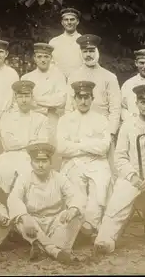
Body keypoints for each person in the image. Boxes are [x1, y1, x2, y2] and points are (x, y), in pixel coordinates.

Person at [94, 85, 145, 255]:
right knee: (118, 200)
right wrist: (132, 176)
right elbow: (120, 156)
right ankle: (106, 239)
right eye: (143, 102)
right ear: (137, 103)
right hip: (132, 176)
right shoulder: (128, 126)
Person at [7, 142, 86, 265]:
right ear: (31, 163)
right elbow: (14, 199)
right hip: (34, 222)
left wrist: (72, 209)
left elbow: (76, 195)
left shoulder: (59, 178)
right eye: (36, 161)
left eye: (44, 161)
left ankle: (42, 246)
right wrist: (25, 217)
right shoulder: (24, 178)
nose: (40, 165)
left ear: (50, 163)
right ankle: (54, 251)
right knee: (20, 219)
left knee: (78, 215)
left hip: (55, 222)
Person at [57, 80, 112, 237]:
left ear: (92, 99)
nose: (83, 101)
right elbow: (61, 148)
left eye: (87, 97)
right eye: (79, 97)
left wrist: (78, 144)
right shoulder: (65, 120)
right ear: (74, 99)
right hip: (73, 162)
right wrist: (90, 145)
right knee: (76, 188)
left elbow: (104, 148)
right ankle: (78, 224)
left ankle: (90, 224)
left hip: (97, 162)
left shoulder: (101, 120)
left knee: (99, 186)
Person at [0, 80, 50, 203]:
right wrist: (30, 141)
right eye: (21, 96)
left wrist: (23, 144)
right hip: (10, 156)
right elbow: (8, 144)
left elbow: (42, 144)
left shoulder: (41, 119)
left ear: (32, 97)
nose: (24, 100)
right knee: (0, 170)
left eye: (27, 96)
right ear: (15, 98)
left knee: (28, 173)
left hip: (32, 157)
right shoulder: (7, 118)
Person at [66, 34, 122, 144]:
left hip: (102, 128)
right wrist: (70, 130)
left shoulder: (109, 77)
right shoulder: (73, 76)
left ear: (96, 52)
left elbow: (115, 108)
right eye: (85, 51)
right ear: (81, 53)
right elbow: (69, 106)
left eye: (91, 51)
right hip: (79, 127)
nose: (88, 55)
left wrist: (111, 132)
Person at [21, 43, 67, 146]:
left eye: (46, 56)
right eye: (39, 56)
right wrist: (49, 104)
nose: (43, 60)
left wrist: (36, 100)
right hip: (31, 120)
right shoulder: (26, 78)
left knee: (51, 151)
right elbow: (25, 102)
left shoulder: (58, 76)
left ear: (51, 58)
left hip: (52, 120)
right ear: (34, 58)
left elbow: (61, 101)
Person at [48, 8, 83, 80]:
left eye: (72, 19)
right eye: (66, 20)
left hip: (79, 81)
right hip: (58, 81)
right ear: (62, 22)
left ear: (77, 22)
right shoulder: (54, 42)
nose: (69, 22)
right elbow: (50, 64)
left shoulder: (83, 41)